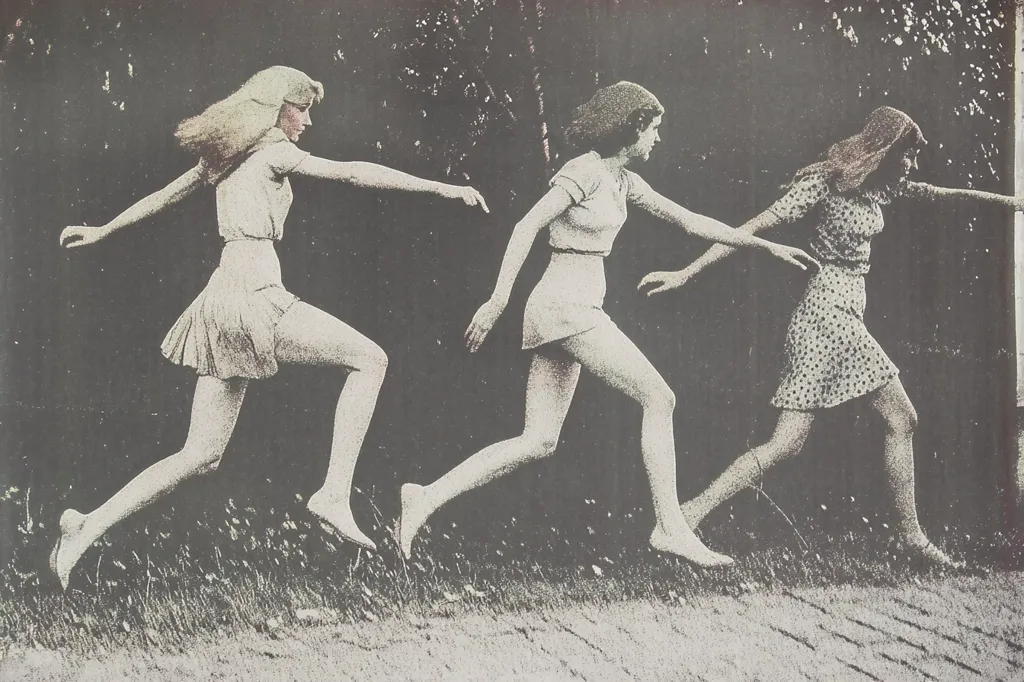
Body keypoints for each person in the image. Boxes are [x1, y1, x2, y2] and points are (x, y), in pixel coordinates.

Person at [50, 66, 489, 589]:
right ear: (276, 109)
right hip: (255, 298)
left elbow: (165, 196)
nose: (306, 120)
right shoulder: (272, 150)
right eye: (301, 109)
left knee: (200, 454)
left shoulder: (224, 159)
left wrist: (103, 230)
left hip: (222, 298)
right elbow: (352, 172)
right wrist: (443, 189)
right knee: (370, 359)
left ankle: (84, 525)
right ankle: (332, 492)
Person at [398, 82, 818, 567]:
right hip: (564, 307)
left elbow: (691, 221)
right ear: (633, 127)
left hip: (575, 309)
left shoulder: (625, 181)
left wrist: (765, 247)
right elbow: (526, 226)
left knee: (538, 440)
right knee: (659, 397)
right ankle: (670, 527)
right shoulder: (584, 172)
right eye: (654, 128)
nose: (658, 139)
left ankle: (424, 496)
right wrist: (496, 302)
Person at [640, 106, 1024, 566]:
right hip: (825, 314)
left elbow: (945, 195)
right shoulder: (824, 184)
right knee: (900, 418)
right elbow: (752, 227)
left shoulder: (882, 189)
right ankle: (911, 539)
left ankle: (688, 512)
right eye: (908, 156)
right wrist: (687, 272)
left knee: (790, 442)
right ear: (886, 149)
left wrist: (1010, 202)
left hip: (842, 315)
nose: (912, 166)